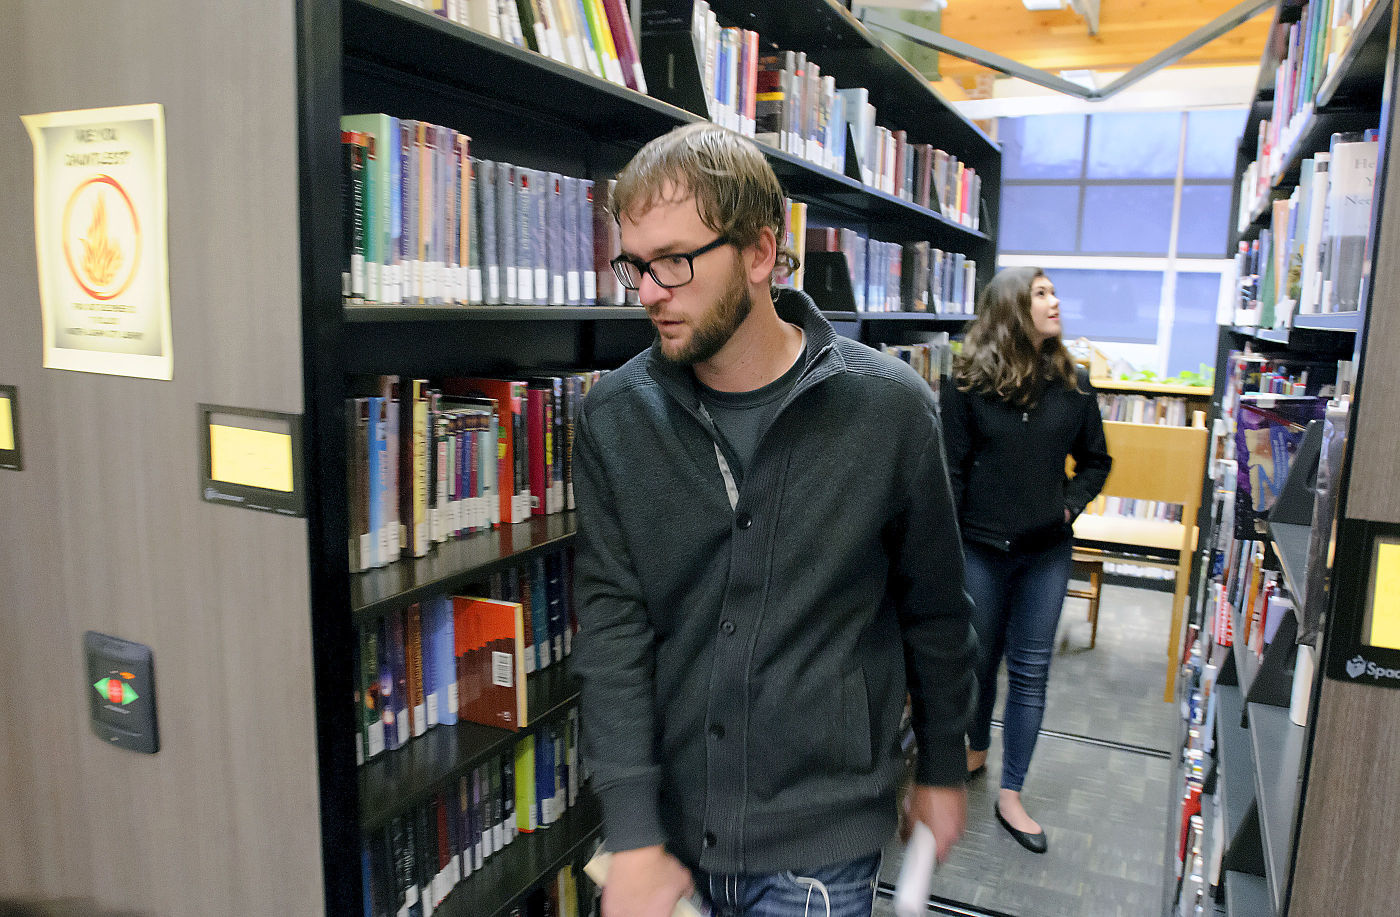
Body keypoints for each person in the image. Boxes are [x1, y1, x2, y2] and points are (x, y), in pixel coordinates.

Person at [571, 122, 978, 917]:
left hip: (818, 845)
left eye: (675, 262)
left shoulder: (891, 411)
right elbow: (612, 630)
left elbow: (935, 612)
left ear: (760, 254)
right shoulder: (615, 417)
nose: (650, 290)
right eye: (635, 265)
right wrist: (634, 832)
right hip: (668, 838)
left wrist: (941, 768)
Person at [938, 266, 1112, 855]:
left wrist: (1069, 507)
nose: (1055, 301)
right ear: (1014, 307)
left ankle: (1012, 792)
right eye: (1042, 293)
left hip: (1045, 553)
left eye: (1055, 291)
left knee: (1032, 671)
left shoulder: (1076, 384)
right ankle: (975, 750)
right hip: (980, 550)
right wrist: (950, 546)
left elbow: (1095, 461)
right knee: (978, 662)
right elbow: (951, 470)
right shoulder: (964, 382)